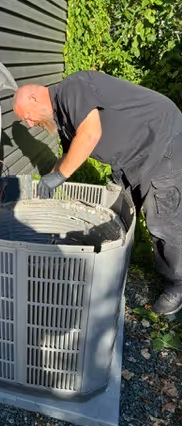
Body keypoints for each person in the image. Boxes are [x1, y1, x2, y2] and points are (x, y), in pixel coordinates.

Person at [13, 70, 182, 315]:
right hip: (134, 158)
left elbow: (90, 135)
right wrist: (50, 179)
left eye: (27, 117)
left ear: (34, 98)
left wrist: (59, 177)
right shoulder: (63, 116)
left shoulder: (72, 87)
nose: (30, 124)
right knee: (129, 208)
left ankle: (177, 283)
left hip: (162, 143)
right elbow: (70, 154)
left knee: (163, 219)